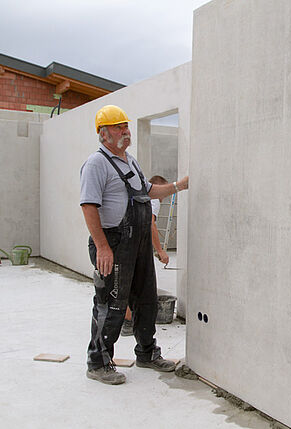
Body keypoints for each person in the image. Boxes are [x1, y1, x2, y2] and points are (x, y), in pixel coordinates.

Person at [80, 105, 189, 385]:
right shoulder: (96, 164)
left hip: (138, 243)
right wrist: (103, 247)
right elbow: (89, 206)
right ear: (104, 134)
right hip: (114, 244)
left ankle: (147, 353)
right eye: (118, 127)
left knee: (146, 300)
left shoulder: (130, 161)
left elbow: (148, 191)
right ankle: (98, 363)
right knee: (111, 304)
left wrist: (179, 186)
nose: (125, 132)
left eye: (125, 126)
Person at [120, 174, 170, 336]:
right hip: (133, 245)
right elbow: (150, 224)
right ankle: (128, 322)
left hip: (124, 241)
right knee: (134, 284)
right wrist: (160, 250)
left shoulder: (136, 195)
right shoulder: (153, 199)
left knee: (123, 283)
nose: (164, 196)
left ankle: (124, 320)